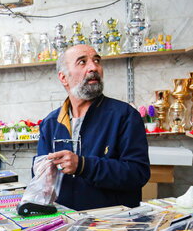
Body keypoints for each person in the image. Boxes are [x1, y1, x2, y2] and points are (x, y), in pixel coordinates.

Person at [37, 44, 150, 210]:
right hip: (66, 224)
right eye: (82, 62)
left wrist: (83, 165)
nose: (93, 67)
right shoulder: (51, 123)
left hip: (113, 224)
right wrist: (42, 173)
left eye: (97, 61)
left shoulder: (124, 116)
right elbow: (41, 178)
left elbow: (137, 174)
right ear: (63, 78)